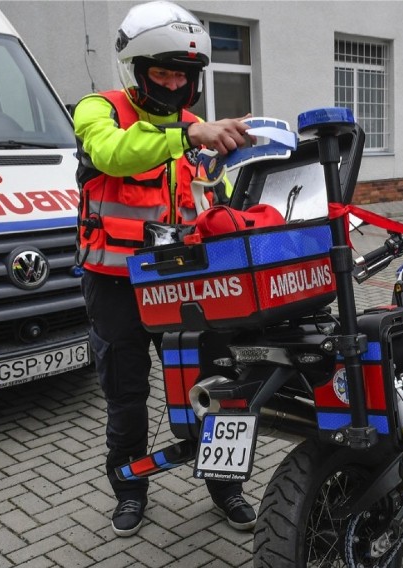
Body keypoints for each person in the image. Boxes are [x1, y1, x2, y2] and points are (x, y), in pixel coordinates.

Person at [73, 0, 257, 537]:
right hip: (115, 285)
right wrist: (187, 138)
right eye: (163, 70)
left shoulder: (200, 127)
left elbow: (216, 204)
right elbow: (111, 155)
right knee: (126, 397)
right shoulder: (97, 109)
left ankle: (227, 488)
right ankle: (129, 489)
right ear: (137, 70)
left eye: (184, 72)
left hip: (184, 286)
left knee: (214, 388)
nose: (174, 81)